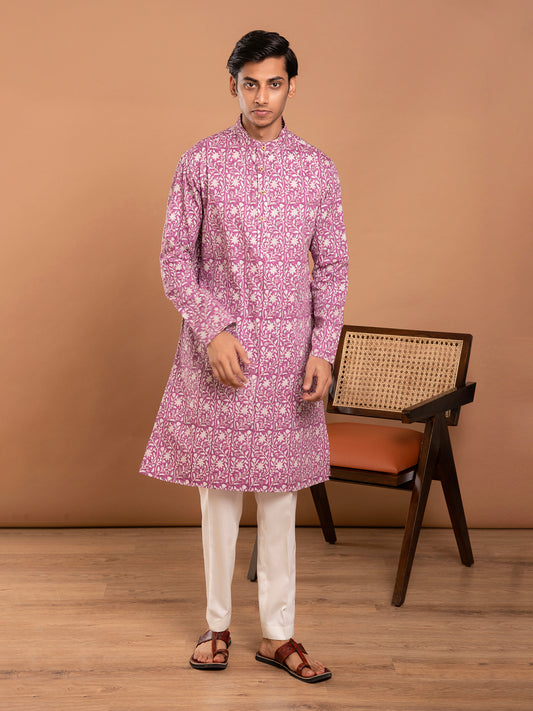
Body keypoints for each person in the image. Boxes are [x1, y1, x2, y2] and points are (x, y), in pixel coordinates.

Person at [140, 30, 348, 683]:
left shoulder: (316, 169)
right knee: (220, 499)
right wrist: (213, 331)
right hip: (221, 359)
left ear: (291, 86)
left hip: (288, 360)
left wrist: (323, 348)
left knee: (281, 500)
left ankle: (278, 635)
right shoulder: (200, 162)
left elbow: (332, 267)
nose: (261, 97)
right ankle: (217, 625)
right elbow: (175, 260)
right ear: (232, 85)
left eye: (273, 83)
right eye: (250, 83)